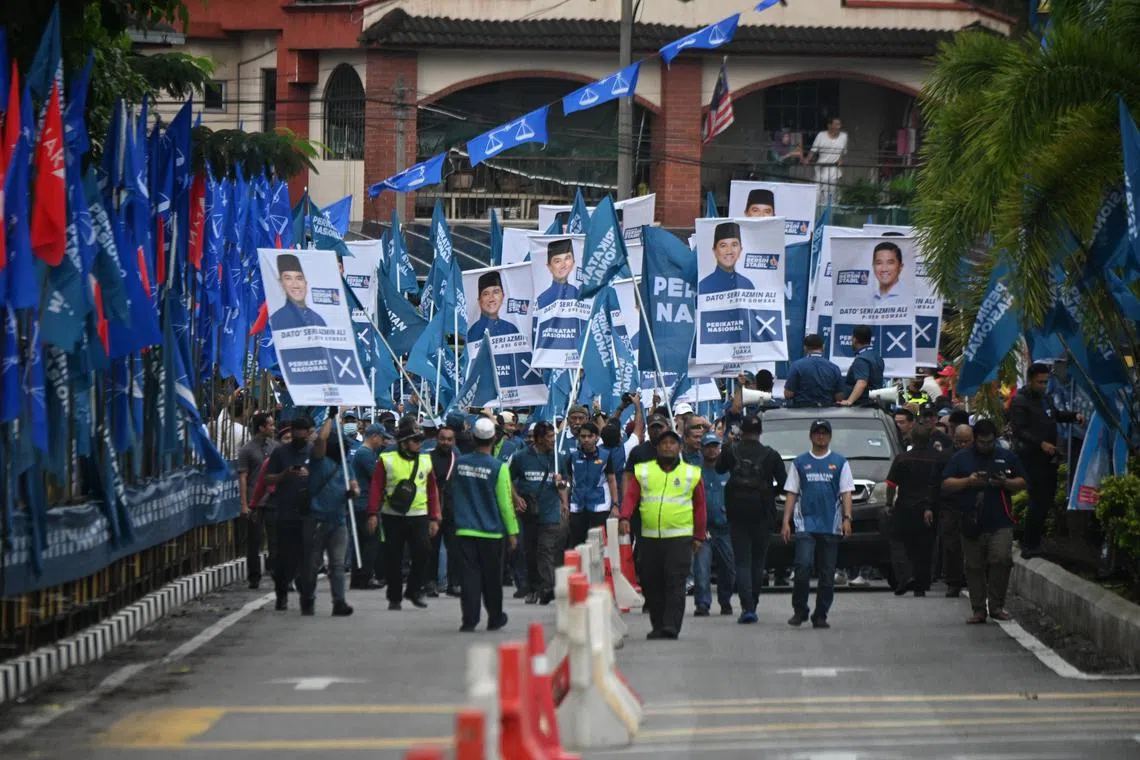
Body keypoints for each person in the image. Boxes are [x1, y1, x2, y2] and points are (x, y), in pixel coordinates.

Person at [619, 428, 707, 640]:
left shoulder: (691, 473)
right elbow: (631, 495)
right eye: (664, 443)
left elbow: (700, 506)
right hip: (649, 538)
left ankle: (671, 626)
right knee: (651, 583)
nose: (668, 446)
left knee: (675, 582)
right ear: (657, 447)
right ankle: (658, 625)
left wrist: (699, 536)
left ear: (679, 447)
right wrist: (624, 517)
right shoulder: (643, 471)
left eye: (672, 443)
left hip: (679, 539)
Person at [942, 418, 1028, 623]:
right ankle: (978, 609)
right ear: (974, 439)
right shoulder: (961, 458)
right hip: (971, 521)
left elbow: (1023, 482)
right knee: (974, 566)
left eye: (990, 442)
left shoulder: (1006, 456)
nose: (986, 446)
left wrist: (1005, 482)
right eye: (982, 442)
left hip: (1001, 519)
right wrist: (968, 481)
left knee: (1001, 559)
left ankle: (997, 605)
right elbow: (945, 484)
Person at [781, 419, 855, 629]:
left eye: (824, 433)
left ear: (830, 436)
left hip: (830, 525)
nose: (820, 436)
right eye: (817, 433)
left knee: (827, 573)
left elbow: (846, 492)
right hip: (805, 525)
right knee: (803, 567)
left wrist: (847, 519)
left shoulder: (840, 462)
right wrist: (786, 521)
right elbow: (792, 492)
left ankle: (820, 614)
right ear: (811, 436)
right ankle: (800, 610)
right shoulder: (800, 462)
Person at [452, 417, 520, 632]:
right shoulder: (498, 467)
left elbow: (453, 493)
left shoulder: (460, 463)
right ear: (493, 438)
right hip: (491, 532)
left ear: (473, 438)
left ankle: (469, 620)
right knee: (492, 578)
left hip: (464, 529)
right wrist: (513, 532)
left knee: (469, 577)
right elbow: (505, 503)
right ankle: (495, 617)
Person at [717, 415, 787, 623]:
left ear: (741, 431)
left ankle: (746, 606)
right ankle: (753, 603)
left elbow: (720, 468)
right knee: (758, 561)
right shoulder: (771, 455)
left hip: (737, 512)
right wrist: (767, 491)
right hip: (763, 514)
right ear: (761, 432)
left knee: (742, 560)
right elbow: (784, 484)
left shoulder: (732, 451)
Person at [1009, 363, 1083, 558]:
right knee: (1038, 499)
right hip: (1032, 458)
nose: (1043, 385)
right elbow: (1018, 430)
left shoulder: (1045, 399)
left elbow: (1055, 415)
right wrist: (1040, 443)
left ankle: (1036, 540)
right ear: (1030, 379)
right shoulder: (1020, 401)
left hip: (1048, 457)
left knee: (1046, 500)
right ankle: (1029, 544)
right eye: (1040, 382)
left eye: (1046, 382)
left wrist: (1073, 416)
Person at [368, 416, 442, 610]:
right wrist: (373, 513)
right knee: (393, 556)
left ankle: (413, 590)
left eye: (420, 441)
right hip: (392, 515)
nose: (419, 444)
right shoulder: (386, 459)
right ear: (403, 442)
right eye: (415, 440)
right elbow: (376, 486)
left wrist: (434, 517)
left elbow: (432, 489)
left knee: (423, 551)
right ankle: (394, 597)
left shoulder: (426, 460)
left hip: (419, 515)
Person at [304, 416, 358, 617]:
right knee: (312, 563)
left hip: (338, 519)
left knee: (337, 563)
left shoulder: (346, 465)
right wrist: (331, 415)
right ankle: (308, 599)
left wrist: (353, 492)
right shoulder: (319, 461)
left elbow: (354, 485)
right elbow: (320, 440)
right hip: (317, 519)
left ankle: (339, 601)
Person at [263, 416, 317, 612]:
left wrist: (310, 475)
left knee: (308, 560)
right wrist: (284, 475)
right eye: (297, 432)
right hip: (285, 512)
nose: (301, 436)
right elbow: (268, 479)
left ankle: (308, 598)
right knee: (285, 559)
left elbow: (325, 478)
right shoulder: (280, 453)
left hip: (309, 513)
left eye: (305, 432)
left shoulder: (314, 452)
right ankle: (282, 594)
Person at [510, 421, 566, 605]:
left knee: (546, 549)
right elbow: (508, 479)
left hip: (550, 511)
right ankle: (534, 588)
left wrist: (563, 494)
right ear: (539, 438)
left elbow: (565, 484)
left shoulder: (558, 458)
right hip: (530, 513)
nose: (553, 440)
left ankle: (548, 587)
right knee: (531, 551)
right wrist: (516, 498)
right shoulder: (520, 457)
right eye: (550, 437)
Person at [885, 426, 943, 597]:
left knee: (898, 541)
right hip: (930, 507)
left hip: (905, 506)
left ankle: (906, 575)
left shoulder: (902, 459)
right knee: (925, 545)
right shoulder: (938, 459)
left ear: (912, 439)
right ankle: (921, 584)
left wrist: (889, 503)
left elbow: (891, 484)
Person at [693, 433, 735, 617]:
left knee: (728, 569)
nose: (712, 450)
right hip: (703, 531)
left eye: (714, 446)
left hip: (725, 529)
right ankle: (702, 604)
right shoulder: (695, 473)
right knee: (701, 569)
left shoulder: (729, 471)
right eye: (708, 446)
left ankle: (725, 600)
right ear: (701, 449)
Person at [237, 412, 278, 590]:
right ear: (261, 427)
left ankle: (277, 572)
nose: (273, 427)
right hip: (255, 502)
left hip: (273, 501)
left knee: (276, 540)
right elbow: (243, 478)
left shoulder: (275, 447)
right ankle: (254, 577)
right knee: (254, 541)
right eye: (270, 424)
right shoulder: (247, 450)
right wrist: (245, 504)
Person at [562, 422, 618, 547]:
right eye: (583, 436)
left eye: (590, 436)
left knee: (599, 544)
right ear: (579, 438)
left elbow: (612, 480)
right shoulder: (573, 457)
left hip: (600, 506)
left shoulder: (605, 456)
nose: (586, 439)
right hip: (577, 506)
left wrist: (615, 504)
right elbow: (568, 482)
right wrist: (565, 503)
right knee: (578, 545)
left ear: (596, 437)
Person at [349, 423, 386, 590]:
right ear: (375, 436)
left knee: (362, 542)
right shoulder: (365, 454)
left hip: (361, 503)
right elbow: (377, 477)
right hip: (365, 504)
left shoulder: (364, 452)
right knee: (371, 541)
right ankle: (365, 576)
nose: (383, 441)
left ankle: (358, 577)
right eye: (382, 438)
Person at [940, 424, 973, 598]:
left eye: (966, 442)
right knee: (952, 545)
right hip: (950, 506)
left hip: (974, 505)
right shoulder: (946, 456)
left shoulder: (979, 456)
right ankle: (954, 582)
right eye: (959, 442)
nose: (962, 445)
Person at [428, 424, 461, 597]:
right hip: (432, 511)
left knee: (454, 548)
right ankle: (431, 583)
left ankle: (453, 584)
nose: (445, 442)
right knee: (431, 548)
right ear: (436, 439)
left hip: (452, 510)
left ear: (454, 441)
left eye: (449, 439)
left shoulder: (458, 459)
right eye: (442, 439)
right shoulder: (428, 458)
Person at [784, 334, 844, 408]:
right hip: (827, 411)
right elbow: (839, 397)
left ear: (805, 348)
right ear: (823, 346)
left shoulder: (796, 366)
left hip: (801, 412)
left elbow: (788, 394)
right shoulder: (834, 368)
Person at [271, 253, 327, 329]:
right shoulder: (275, 320)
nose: (295, 285)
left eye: (299, 278)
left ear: (305, 283)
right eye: (288, 278)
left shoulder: (318, 319)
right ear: (281, 283)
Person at [698, 221, 754, 295]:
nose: (729, 251)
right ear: (714, 251)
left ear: (740, 250)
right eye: (723, 245)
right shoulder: (704, 286)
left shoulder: (747, 284)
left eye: (734, 245)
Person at [467, 270, 520, 342]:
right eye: (486, 294)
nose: (491, 298)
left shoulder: (511, 328)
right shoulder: (474, 332)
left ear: (503, 296)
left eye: (496, 292)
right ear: (479, 300)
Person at [804, 117, 848, 203]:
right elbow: (813, 150)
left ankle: (829, 214)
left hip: (833, 169)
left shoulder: (844, 136)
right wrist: (807, 159)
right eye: (836, 124)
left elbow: (843, 151)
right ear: (829, 125)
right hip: (820, 168)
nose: (838, 127)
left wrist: (841, 159)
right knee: (817, 194)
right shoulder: (821, 135)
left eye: (839, 125)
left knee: (831, 194)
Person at [839, 325, 884, 407]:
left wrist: (849, 401)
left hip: (862, 406)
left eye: (852, 338)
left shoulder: (861, 359)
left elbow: (862, 382)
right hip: (873, 404)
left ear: (855, 339)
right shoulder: (877, 356)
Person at [536, 238, 578, 309]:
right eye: (557, 261)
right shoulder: (541, 299)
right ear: (549, 266)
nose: (563, 265)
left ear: (573, 262)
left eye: (567, 259)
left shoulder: (578, 294)